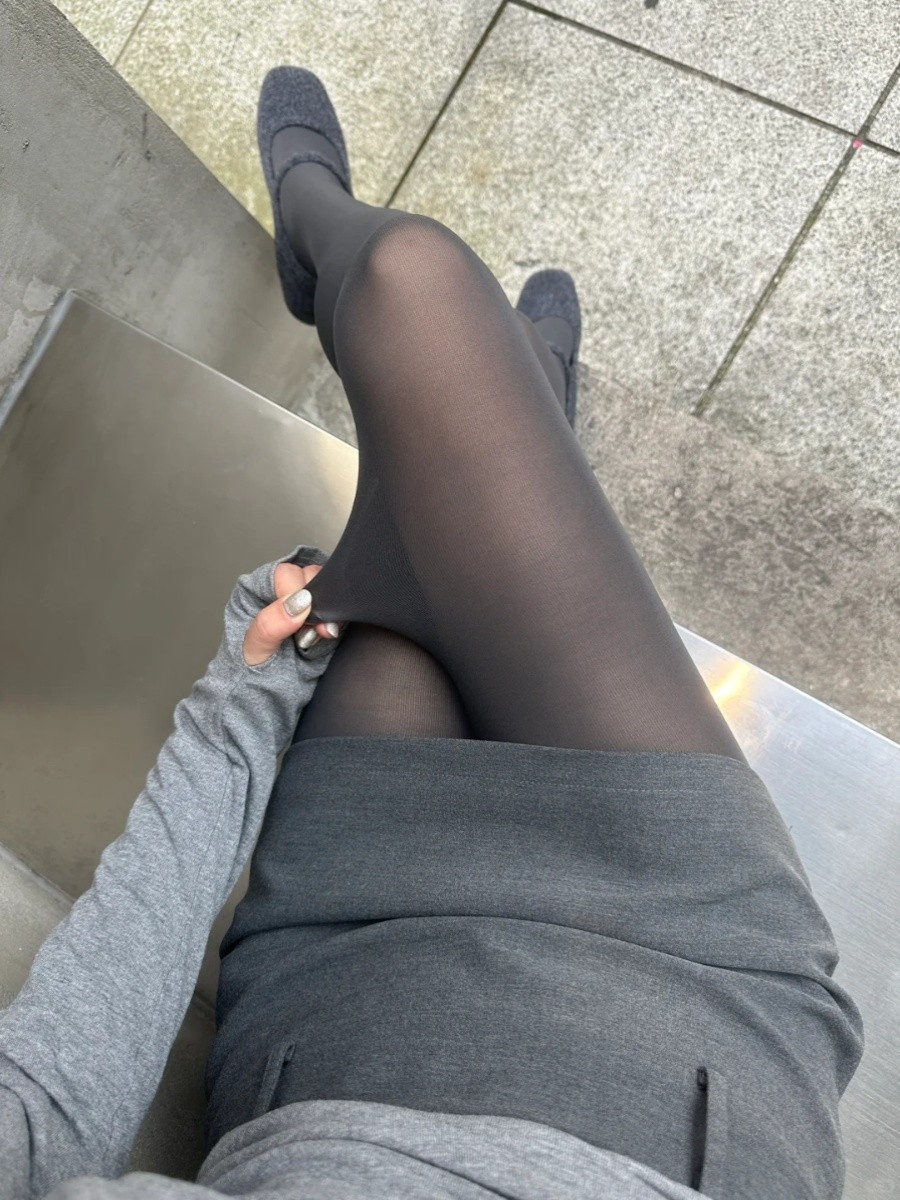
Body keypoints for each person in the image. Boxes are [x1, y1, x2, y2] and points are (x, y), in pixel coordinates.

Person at [0, 66, 863, 1200]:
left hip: (344, 991)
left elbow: (46, 1113)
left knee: (414, 288)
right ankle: (514, 397)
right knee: (440, 407)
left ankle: (350, 258)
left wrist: (238, 707)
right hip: (687, 1002)